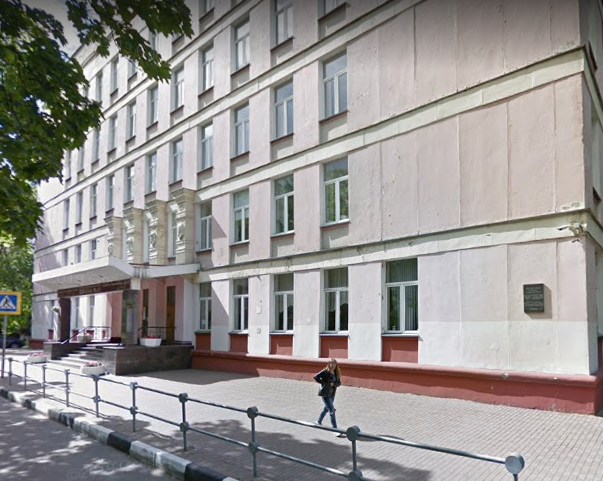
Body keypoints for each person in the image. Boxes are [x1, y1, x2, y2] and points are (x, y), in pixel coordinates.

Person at [314, 358, 345, 437]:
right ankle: (335, 430)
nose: (333, 365)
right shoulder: (325, 371)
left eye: (334, 364)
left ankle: (318, 421)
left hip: (332, 394)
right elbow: (316, 377)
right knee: (332, 411)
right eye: (331, 363)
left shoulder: (336, 373)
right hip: (325, 394)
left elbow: (339, 383)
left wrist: (334, 384)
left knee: (326, 409)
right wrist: (324, 383)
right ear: (329, 364)